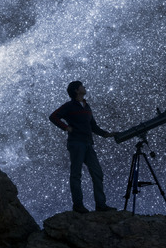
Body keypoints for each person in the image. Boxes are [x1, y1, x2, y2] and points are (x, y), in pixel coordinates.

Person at [49, 81, 117, 213]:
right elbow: (53, 116)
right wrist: (66, 127)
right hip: (76, 143)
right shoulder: (69, 106)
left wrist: (106, 134)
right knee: (76, 174)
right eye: (82, 86)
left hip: (88, 144)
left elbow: (93, 126)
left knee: (97, 173)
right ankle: (78, 206)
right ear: (76, 90)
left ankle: (101, 205)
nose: (84, 87)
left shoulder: (87, 106)